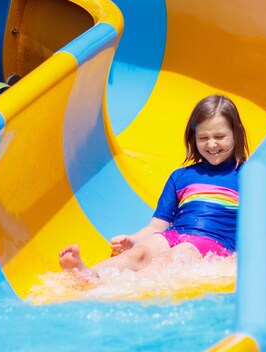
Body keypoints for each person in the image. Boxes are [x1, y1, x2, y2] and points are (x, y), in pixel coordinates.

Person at [59, 94, 250, 283]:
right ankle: (87, 274)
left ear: (236, 133)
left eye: (219, 136)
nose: (211, 144)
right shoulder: (180, 177)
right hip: (176, 236)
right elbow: (157, 226)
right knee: (141, 252)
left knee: (179, 253)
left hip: (214, 246)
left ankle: (107, 286)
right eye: (203, 137)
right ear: (193, 137)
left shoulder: (248, 176)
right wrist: (133, 240)